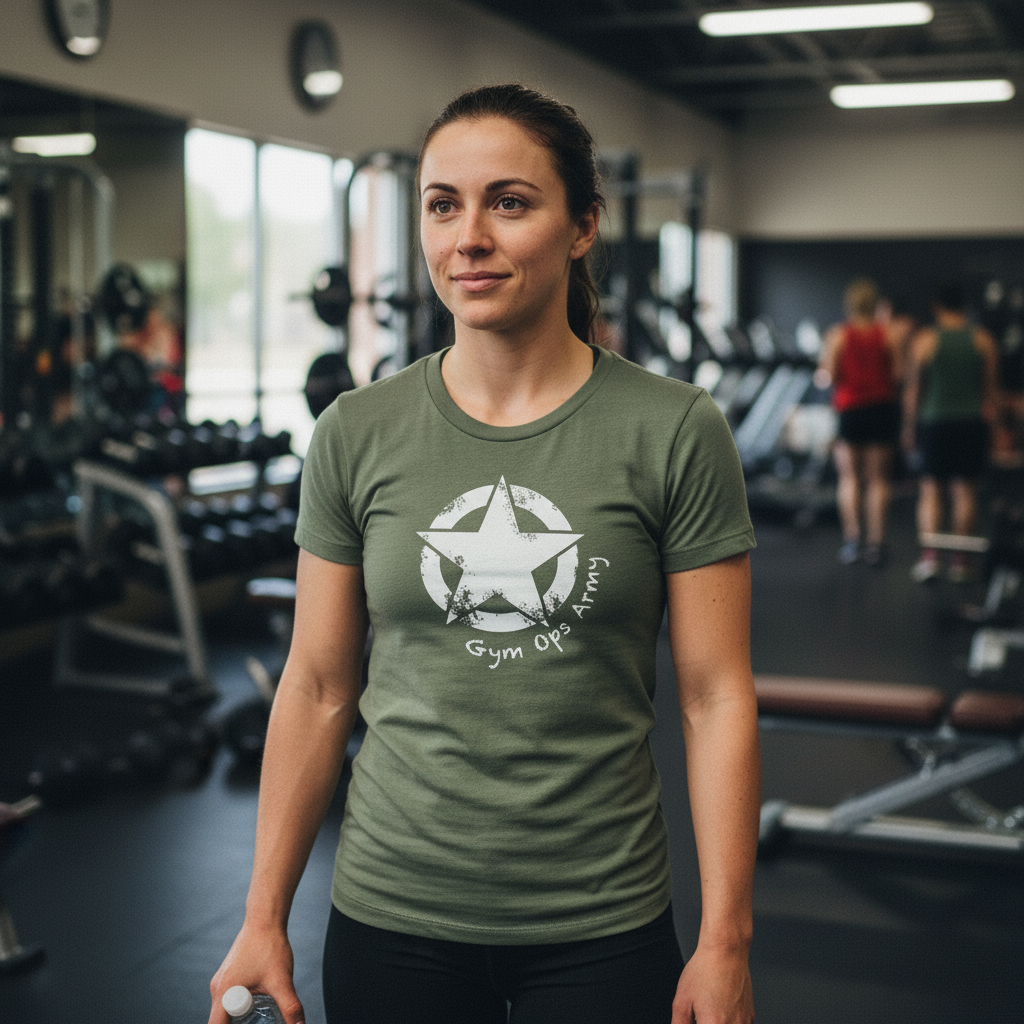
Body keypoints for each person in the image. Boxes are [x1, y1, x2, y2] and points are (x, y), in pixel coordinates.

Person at [208, 83, 759, 1024]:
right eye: (442, 204)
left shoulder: (673, 429)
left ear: (583, 226)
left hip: (604, 922)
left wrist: (724, 941)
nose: (468, 236)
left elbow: (715, 697)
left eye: (509, 201)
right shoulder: (355, 432)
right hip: (391, 915)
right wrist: (263, 917)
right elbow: (315, 685)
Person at [903, 281, 999, 583]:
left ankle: (931, 559)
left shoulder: (926, 339)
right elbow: (990, 393)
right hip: (971, 423)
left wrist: (908, 427)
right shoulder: (982, 339)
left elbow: (914, 390)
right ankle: (960, 561)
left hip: (935, 423)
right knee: (965, 492)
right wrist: (994, 431)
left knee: (931, 491)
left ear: (937, 306)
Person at [819, 277, 905, 567]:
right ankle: (876, 544)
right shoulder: (889, 334)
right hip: (881, 409)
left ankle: (853, 541)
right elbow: (898, 375)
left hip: (851, 409)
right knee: (879, 480)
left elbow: (829, 375)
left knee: (850, 478)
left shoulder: (838, 335)